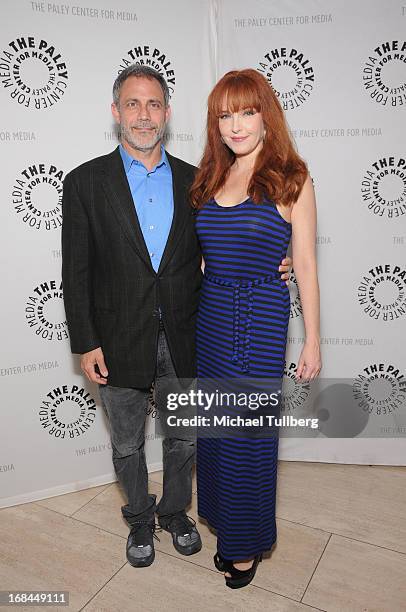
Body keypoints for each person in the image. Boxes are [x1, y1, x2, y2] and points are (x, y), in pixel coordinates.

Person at [61, 63, 294, 568]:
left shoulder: (199, 180)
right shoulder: (84, 182)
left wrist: (281, 253)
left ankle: (174, 512)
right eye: (132, 104)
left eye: (153, 105)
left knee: (184, 436)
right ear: (115, 111)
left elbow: (224, 243)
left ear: (167, 113)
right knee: (126, 443)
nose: (143, 116)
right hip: (117, 337)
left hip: (190, 334)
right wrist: (86, 340)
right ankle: (140, 520)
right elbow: (75, 271)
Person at [190, 68, 322, 589]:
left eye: (247, 112)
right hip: (212, 320)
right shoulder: (210, 176)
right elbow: (206, 251)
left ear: (267, 116)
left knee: (247, 439)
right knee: (216, 434)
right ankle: (226, 527)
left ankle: (244, 548)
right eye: (225, 115)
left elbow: (306, 264)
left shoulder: (292, 177)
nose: (236, 125)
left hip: (259, 323)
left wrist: (313, 339)